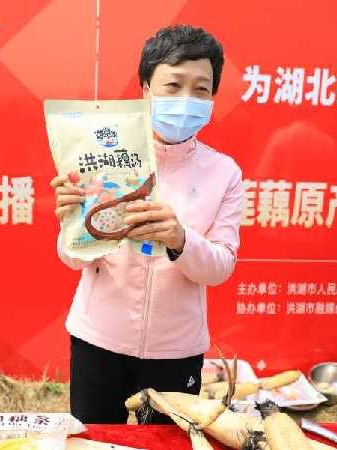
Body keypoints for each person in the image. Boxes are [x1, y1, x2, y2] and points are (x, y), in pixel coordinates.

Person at [50, 24, 245, 424]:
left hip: (177, 350)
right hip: (98, 338)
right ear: (145, 89)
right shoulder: (102, 159)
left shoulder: (224, 172)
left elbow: (221, 266)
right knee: (95, 440)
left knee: (168, 443)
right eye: (173, 85)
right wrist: (73, 223)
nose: (187, 100)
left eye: (201, 89)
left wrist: (180, 240)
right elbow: (73, 259)